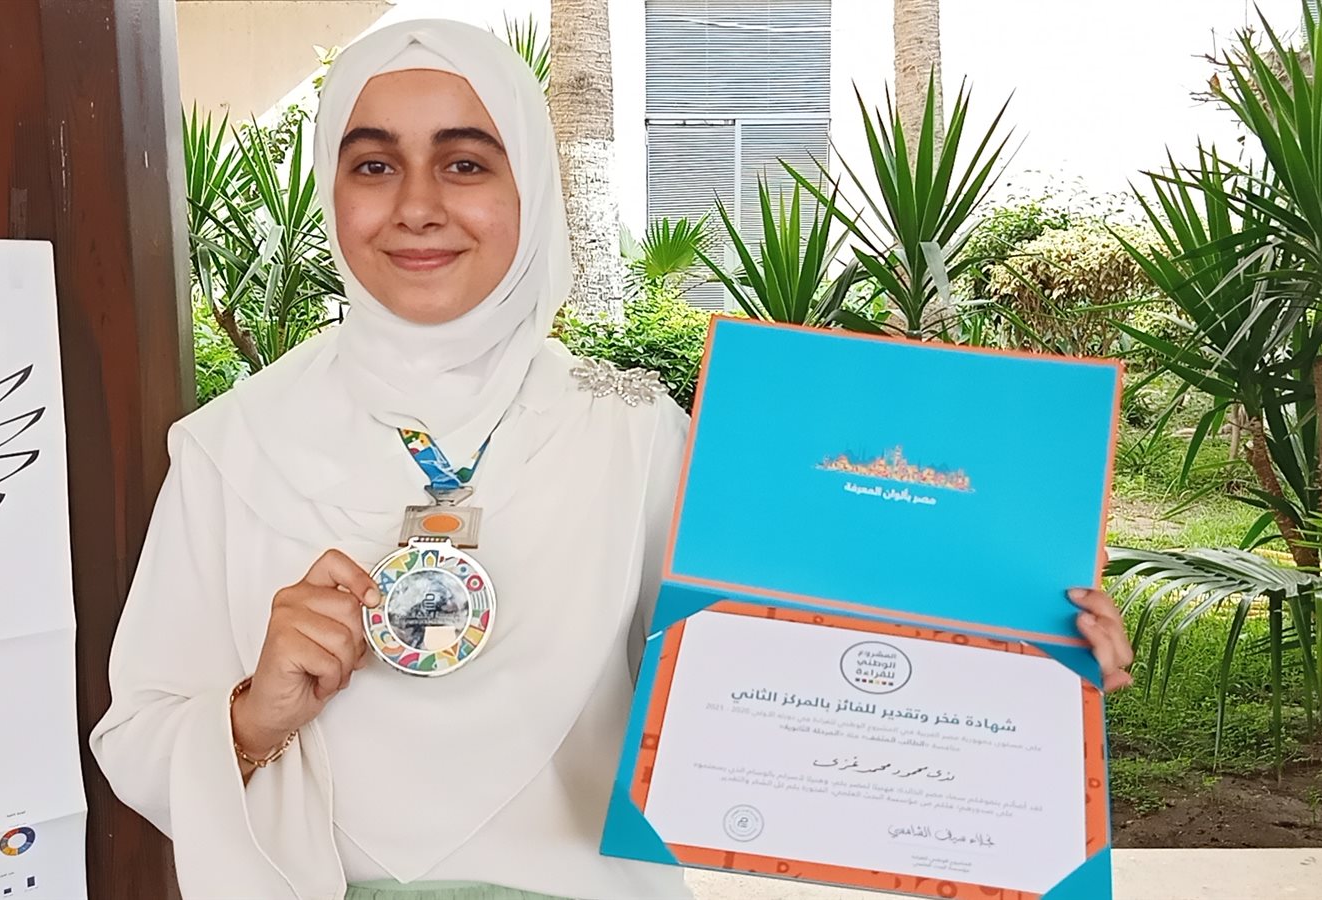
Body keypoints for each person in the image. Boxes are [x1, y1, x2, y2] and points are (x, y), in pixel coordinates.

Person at [89, 17, 1136, 900]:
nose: (416, 205)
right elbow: (136, 739)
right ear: (333, 188)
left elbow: (783, 671)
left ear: (531, 185)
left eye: (465, 162)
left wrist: (1021, 667)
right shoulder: (234, 445)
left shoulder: (630, 432)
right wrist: (251, 717)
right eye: (373, 164)